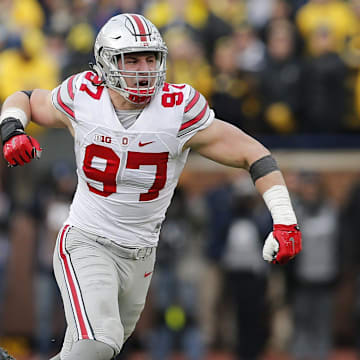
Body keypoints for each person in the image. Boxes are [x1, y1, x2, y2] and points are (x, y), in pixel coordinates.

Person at [0, 13, 301, 360]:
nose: (143, 68)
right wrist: (12, 129)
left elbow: (253, 153)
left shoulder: (179, 109)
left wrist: (284, 218)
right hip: (87, 241)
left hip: (141, 254)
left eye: (150, 58)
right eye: (131, 59)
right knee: (100, 342)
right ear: (106, 63)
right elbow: (24, 97)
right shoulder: (82, 94)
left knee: (91, 352)